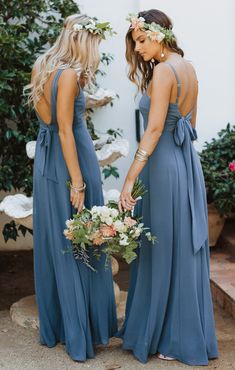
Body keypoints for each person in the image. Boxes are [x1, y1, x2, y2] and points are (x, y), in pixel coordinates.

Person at [117, 9, 219, 366]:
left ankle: (167, 336)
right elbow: (191, 124)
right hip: (186, 164)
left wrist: (129, 177)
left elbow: (155, 129)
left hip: (162, 166)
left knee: (162, 248)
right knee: (178, 247)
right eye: (135, 43)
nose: (139, 49)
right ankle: (178, 333)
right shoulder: (188, 67)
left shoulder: (163, 71)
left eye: (142, 41)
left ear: (158, 35)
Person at [25, 14, 117, 361]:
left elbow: (47, 122)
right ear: (85, 42)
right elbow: (65, 129)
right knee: (81, 242)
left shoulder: (42, 66)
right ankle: (83, 334)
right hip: (72, 160)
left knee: (58, 242)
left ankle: (62, 328)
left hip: (48, 162)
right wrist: (77, 182)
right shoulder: (70, 75)